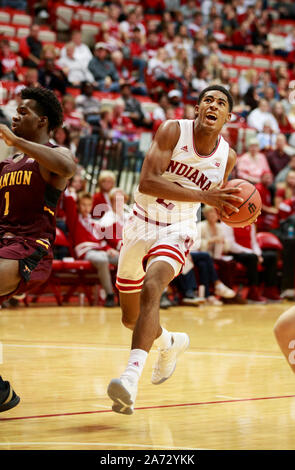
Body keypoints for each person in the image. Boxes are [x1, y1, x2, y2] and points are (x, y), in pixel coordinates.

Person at [107, 85, 244, 415]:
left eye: (221, 103)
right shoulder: (172, 130)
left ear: (229, 117)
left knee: (153, 287)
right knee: (130, 318)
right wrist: (205, 198)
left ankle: (129, 379)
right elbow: (147, 182)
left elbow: (217, 200)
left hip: (179, 227)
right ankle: (168, 342)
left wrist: (231, 210)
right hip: (140, 220)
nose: (213, 105)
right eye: (208, 100)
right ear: (197, 108)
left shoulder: (227, 156)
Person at [0, 86, 76, 412]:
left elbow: (68, 167)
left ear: (43, 121)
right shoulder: (7, 164)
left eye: (24, 112)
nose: (16, 115)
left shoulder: (54, 156)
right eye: (15, 111)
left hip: (30, 246)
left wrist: (16, 141)